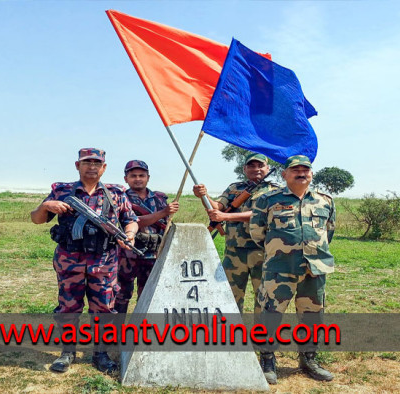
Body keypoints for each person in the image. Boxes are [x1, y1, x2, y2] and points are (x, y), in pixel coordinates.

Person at [30, 148, 138, 374]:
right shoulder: (61, 191)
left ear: (104, 168)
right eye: (87, 162)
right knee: (69, 307)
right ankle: (67, 352)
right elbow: (36, 219)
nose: (92, 167)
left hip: (104, 261)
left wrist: (129, 234)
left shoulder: (115, 194)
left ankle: (101, 354)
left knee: (104, 309)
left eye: (97, 163)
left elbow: (130, 220)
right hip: (70, 260)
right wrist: (45, 206)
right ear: (77, 165)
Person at [249, 155, 336, 384]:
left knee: (312, 315)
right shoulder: (266, 200)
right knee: (271, 314)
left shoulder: (325, 201)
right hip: (280, 268)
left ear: (312, 174)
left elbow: (329, 232)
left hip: (314, 268)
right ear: (284, 174)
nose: (301, 173)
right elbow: (257, 233)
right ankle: (267, 359)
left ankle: (309, 359)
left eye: (305, 169)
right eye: (295, 169)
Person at [192, 153, 279, 314]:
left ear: (267, 168)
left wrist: (227, 217)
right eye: (251, 166)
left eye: (260, 166)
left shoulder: (276, 191)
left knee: (264, 296)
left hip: (262, 251)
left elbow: (263, 214)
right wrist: (203, 195)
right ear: (245, 169)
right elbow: (219, 207)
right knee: (229, 296)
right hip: (234, 251)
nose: (256, 169)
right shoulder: (234, 188)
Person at [115, 160, 179, 313]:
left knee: (149, 297)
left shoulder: (159, 199)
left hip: (153, 255)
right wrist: (162, 213)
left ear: (148, 177)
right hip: (127, 255)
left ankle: (144, 333)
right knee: (120, 296)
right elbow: (133, 222)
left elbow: (166, 225)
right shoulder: (120, 199)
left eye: (141, 175)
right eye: (133, 175)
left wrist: (166, 214)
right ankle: (115, 334)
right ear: (126, 179)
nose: (138, 179)